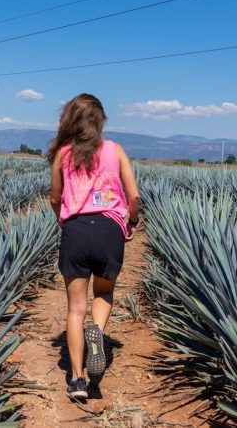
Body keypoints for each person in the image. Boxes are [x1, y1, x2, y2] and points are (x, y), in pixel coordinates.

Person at [47, 93, 141, 399]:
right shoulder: (115, 150)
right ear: (100, 121)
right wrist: (132, 222)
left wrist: (65, 223)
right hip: (109, 231)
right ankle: (97, 332)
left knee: (75, 309)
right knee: (104, 292)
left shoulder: (63, 154)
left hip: (75, 231)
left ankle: (76, 381)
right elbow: (134, 196)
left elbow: (54, 198)